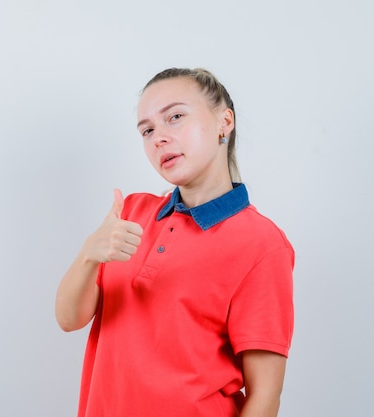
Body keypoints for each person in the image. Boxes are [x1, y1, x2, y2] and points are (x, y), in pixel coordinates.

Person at [55, 67, 294, 417]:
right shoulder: (130, 213)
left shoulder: (262, 243)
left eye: (175, 117)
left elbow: (265, 396)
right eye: (147, 130)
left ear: (224, 122)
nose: (158, 138)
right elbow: (69, 319)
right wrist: (89, 253)